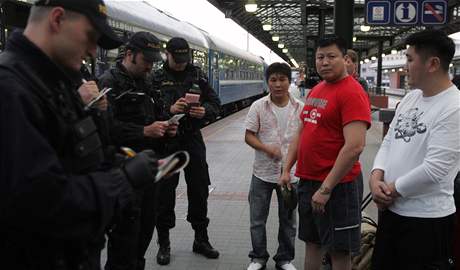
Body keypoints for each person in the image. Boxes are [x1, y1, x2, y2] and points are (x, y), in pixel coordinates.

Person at [0, 0, 161, 269]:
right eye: (90, 36)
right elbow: (42, 204)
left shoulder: (54, 82)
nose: (91, 50)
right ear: (57, 19)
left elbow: (78, 152)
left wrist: (121, 160)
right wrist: (123, 179)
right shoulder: (11, 90)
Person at [370, 29, 460, 270]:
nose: (405, 65)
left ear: (432, 64)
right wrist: (375, 176)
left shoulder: (454, 107)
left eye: (410, 59)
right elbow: (389, 141)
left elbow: (435, 169)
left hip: (426, 221)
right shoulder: (411, 98)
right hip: (392, 212)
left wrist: (389, 191)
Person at [280, 36, 371, 270]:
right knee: (312, 243)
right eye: (321, 57)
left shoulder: (352, 92)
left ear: (345, 59)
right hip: (309, 181)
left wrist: (326, 188)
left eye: (332, 56)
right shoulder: (317, 89)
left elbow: (355, 147)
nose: (325, 62)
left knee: (339, 251)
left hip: (338, 186)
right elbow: (302, 131)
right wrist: (287, 168)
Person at [98, 31, 177, 269]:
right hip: (124, 172)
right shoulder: (108, 82)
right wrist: (143, 132)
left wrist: (167, 126)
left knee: (145, 230)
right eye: (146, 61)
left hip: (149, 173)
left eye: (154, 62)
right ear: (129, 54)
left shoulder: (148, 82)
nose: (150, 66)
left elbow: (158, 115)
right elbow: (105, 128)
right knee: (124, 239)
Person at [151, 37, 221, 263]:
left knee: (199, 189)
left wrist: (205, 111)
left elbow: (215, 103)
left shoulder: (198, 76)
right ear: (167, 55)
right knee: (165, 193)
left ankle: (201, 238)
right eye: (176, 59)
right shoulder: (156, 79)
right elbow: (148, 111)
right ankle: (164, 243)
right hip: (168, 144)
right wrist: (168, 110)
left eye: (184, 59)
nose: (181, 63)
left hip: (192, 141)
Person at [244, 62, 303, 270]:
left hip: (292, 174)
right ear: (267, 81)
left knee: (288, 220)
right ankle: (258, 257)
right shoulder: (258, 106)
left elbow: (305, 138)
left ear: (289, 81)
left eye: (282, 79)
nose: (278, 84)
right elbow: (249, 136)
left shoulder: (300, 108)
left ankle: (284, 259)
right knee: (257, 219)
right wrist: (267, 148)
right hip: (262, 173)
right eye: (273, 80)